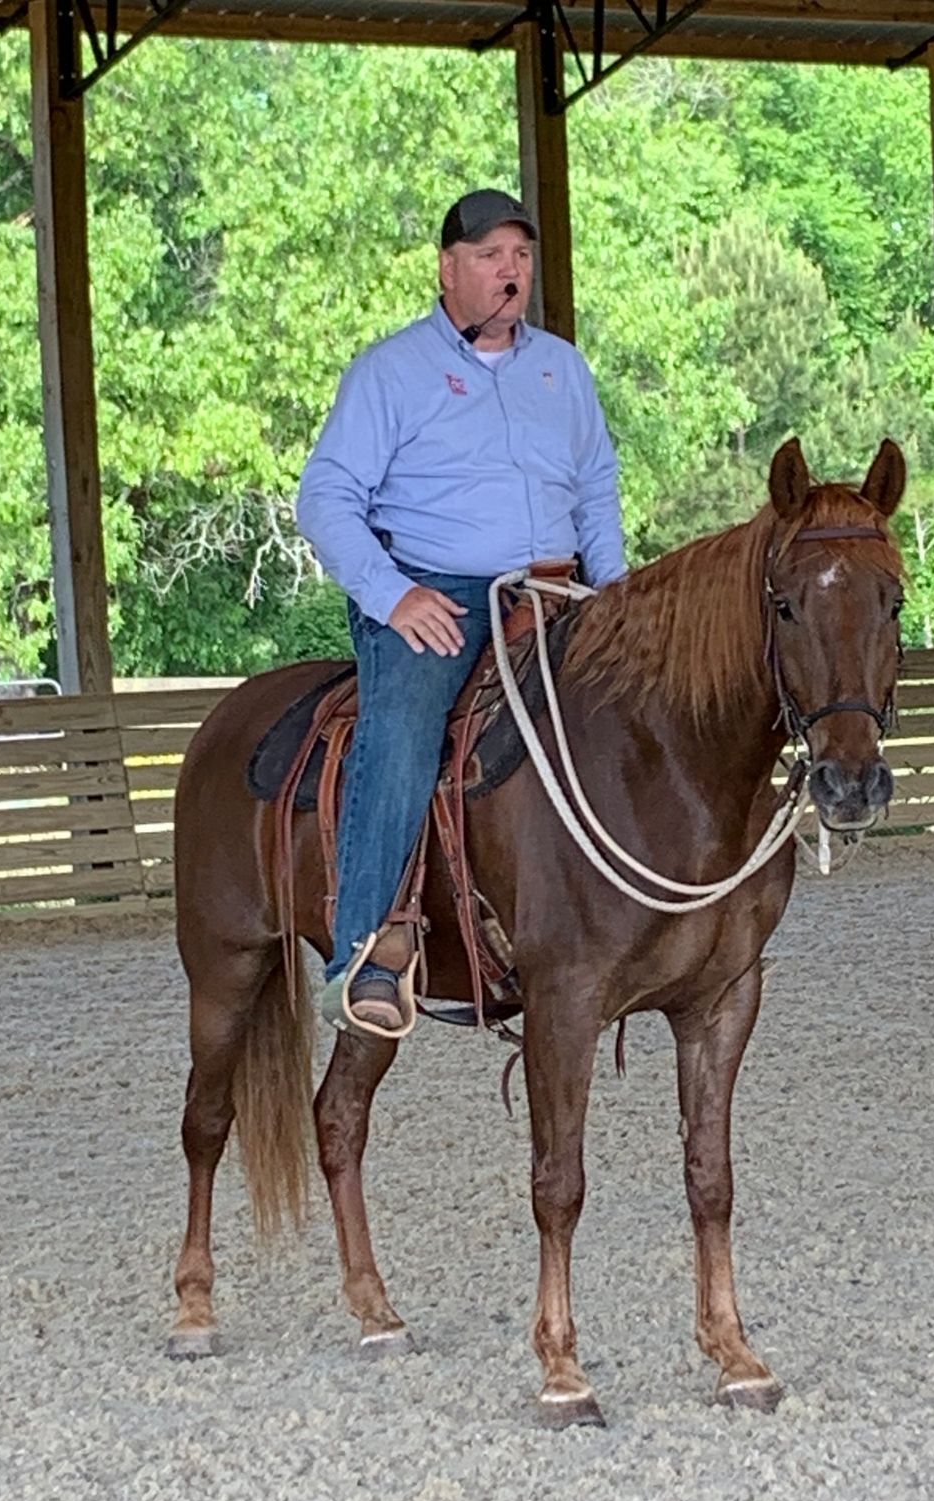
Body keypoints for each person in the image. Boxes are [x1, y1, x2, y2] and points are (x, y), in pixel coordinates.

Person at [297, 189, 627, 1037]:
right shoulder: (391, 371)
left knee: (643, 706)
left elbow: (595, 486)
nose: (509, 272)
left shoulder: (563, 368)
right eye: (490, 257)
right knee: (404, 721)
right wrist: (392, 595)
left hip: (555, 591)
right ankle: (367, 950)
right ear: (448, 270)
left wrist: (617, 591)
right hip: (433, 594)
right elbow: (327, 496)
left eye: (520, 256)